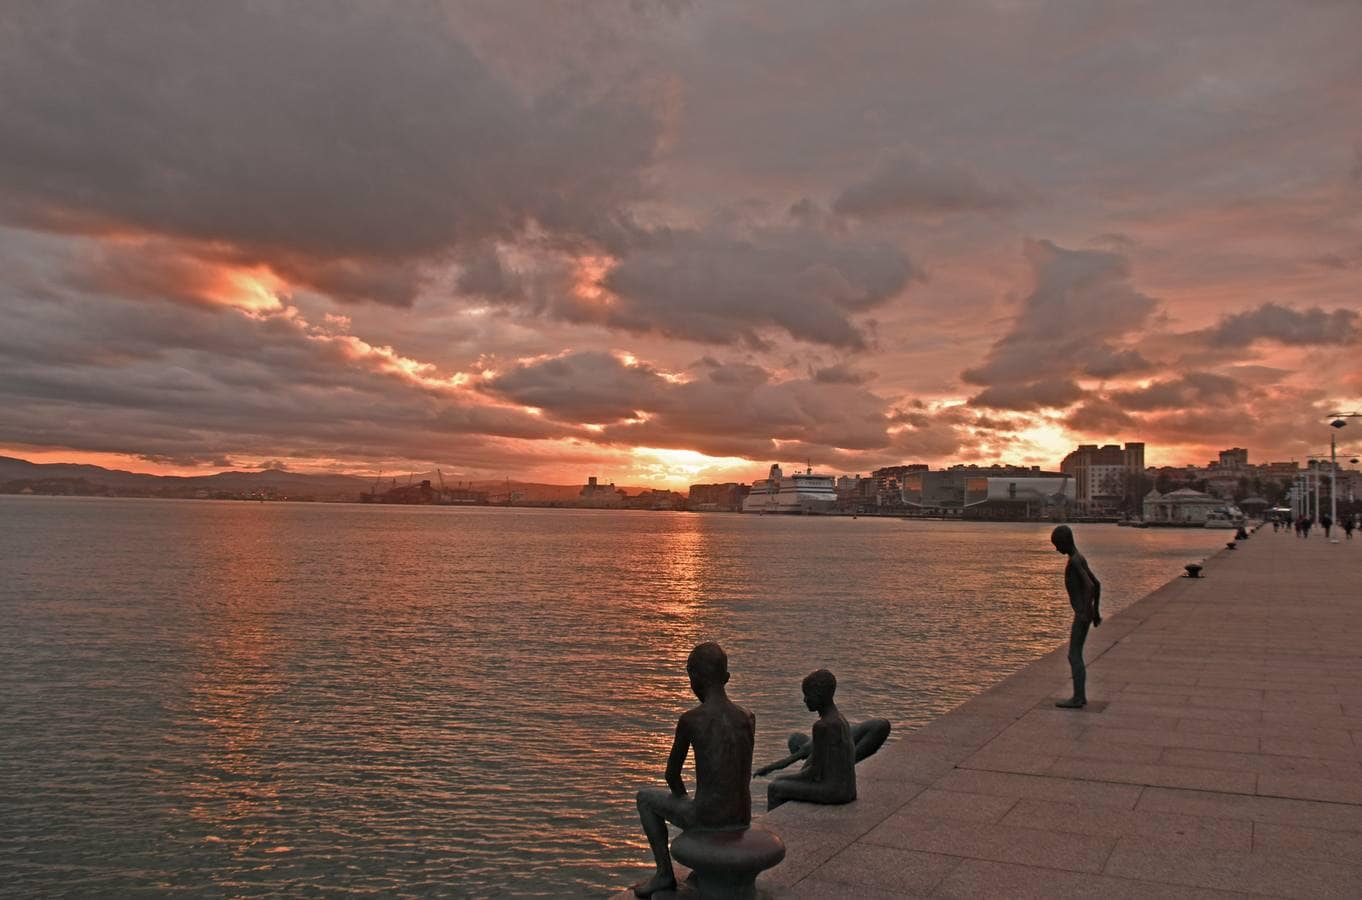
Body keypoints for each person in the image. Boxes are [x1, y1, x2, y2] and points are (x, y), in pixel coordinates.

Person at [633, 642, 755, 898]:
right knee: (699, 803)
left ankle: (664, 875)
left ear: (694, 678)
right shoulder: (747, 717)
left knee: (645, 799)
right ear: (727, 677)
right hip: (741, 815)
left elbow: (671, 775)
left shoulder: (691, 720)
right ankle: (702, 868)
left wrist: (683, 800)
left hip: (708, 817)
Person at [765, 669, 856, 810]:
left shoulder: (822, 726)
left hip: (835, 792)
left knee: (775, 788)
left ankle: (772, 829)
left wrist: (784, 778)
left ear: (818, 696)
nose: (804, 700)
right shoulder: (840, 719)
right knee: (781, 782)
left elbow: (814, 771)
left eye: (807, 696)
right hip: (849, 790)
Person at [1051, 525, 1100, 709]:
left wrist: (1085, 611)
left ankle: (1078, 697)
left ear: (1065, 542)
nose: (1057, 549)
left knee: (1074, 655)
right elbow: (1097, 584)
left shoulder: (1074, 561)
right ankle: (1080, 695)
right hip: (1085, 613)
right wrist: (1096, 611)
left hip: (1081, 614)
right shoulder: (1080, 557)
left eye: (1057, 544)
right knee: (1075, 654)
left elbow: (1090, 586)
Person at [754, 718, 891, 777]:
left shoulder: (809, 746)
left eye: (798, 753)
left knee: (800, 776)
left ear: (799, 746)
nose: (801, 758)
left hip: (876, 729)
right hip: (877, 727)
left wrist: (765, 769)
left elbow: (786, 762)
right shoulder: (820, 743)